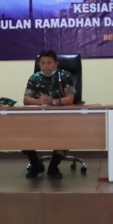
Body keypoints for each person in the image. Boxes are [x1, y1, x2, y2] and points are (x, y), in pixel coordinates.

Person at [21, 50, 76, 179]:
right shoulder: (34, 78)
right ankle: (36, 165)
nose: (46, 66)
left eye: (49, 63)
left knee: (65, 134)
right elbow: (26, 99)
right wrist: (38, 101)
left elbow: (70, 99)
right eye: (43, 63)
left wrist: (54, 102)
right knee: (22, 132)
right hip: (38, 117)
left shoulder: (65, 76)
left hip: (60, 118)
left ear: (56, 63)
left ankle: (53, 167)